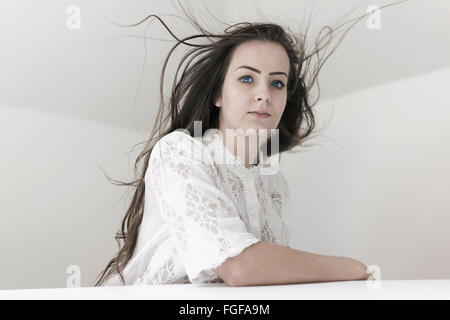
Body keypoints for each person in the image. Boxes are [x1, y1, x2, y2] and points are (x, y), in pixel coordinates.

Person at [92, 2, 406, 287]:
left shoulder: (275, 185)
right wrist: (351, 267)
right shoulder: (180, 151)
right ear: (218, 94)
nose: (264, 94)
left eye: (277, 82)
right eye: (246, 79)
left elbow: (268, 280)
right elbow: (241, 268)